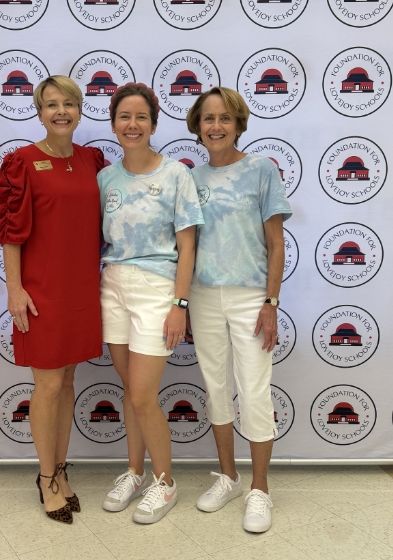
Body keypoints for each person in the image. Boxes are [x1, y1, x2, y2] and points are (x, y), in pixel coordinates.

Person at [0, 75, 104, 524]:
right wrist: (14, 288)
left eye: (70, 104)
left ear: (80, 110)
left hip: (82, 289)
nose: (61, 111)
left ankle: (61, 468)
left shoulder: (92, 160)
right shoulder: (21, 162)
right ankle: (46, 479)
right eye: (51, 104)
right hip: (40, 290)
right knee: (48, 385)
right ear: (39, 112)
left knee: (68, 384)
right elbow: (10, 232)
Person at [186, 87, 292, 532]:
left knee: (254, 391)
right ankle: (228, 476)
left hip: (251, 297)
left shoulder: (262, 170)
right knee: (215, 388)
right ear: (197, 126)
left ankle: (260, 489)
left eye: (225, 118)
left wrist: (271, 302)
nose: (216, 126)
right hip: (204, 296)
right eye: (208, 119)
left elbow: (275, 244)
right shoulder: (190, 178)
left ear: (239, 123)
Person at [98, 83, 204, 524]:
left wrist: (180, 303)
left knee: (143, 395)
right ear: (113, 124)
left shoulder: (176, 174)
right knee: (129, 392)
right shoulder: (105, 178)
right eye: (125, 117)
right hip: (112, 286)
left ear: (154, 124)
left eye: (141, 117)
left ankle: (166, 482)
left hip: (157, 291)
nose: (133, 124)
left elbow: (188, 245)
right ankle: (135, 472)